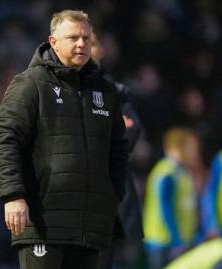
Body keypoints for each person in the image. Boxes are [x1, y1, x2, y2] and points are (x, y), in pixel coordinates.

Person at [0, 10, 128, 269]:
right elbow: (4, 140)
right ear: (53, 42)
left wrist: (112, 194)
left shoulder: (105, 91)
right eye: (73, 37)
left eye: (86, 38)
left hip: (90, 225)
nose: (81, 44)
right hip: (44, 221)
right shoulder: (30, 84)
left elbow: (118, 148)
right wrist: (13, 196)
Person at [90, 31, 144, 269]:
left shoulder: (117, 92)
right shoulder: (55, 89)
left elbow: (130, 131)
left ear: (101, 51)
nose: (82, 46)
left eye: (90, 42)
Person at [142, 127, 200, 269]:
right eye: (191, 147)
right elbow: (164, 207)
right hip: (163, 241)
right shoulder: (166, 172)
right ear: (179, 148)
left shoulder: (183, 172)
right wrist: (176, 239)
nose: (194, 152)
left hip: (180, 240)